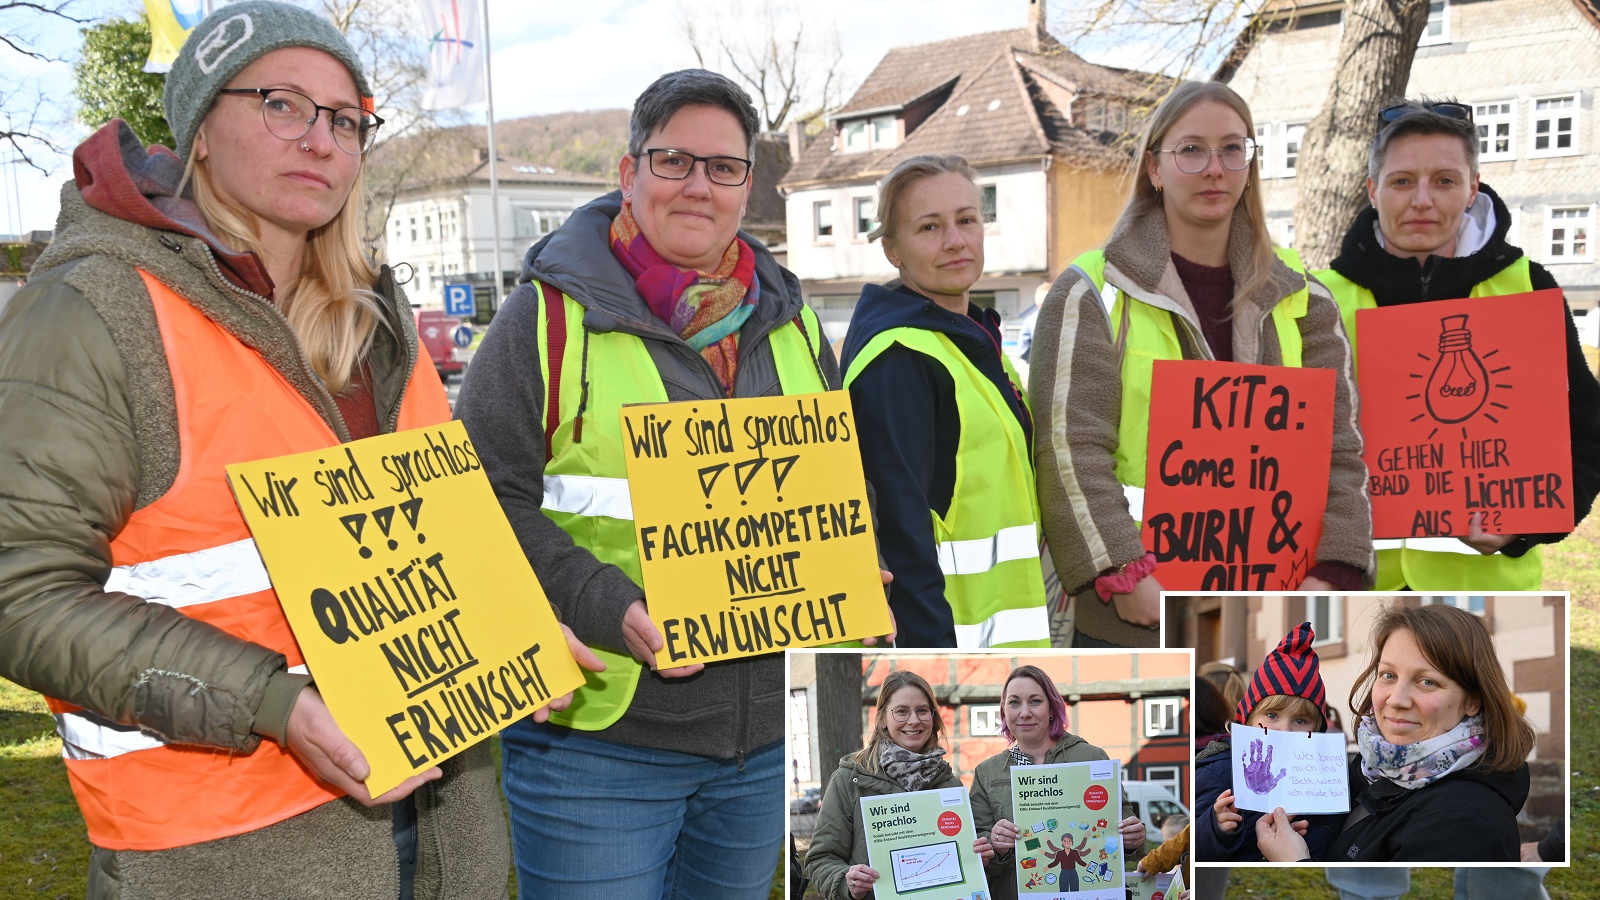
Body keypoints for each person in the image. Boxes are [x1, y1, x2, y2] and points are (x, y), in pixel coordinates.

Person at [0, 3, 595, 896]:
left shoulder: (374, 320)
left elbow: (426, 535)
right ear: (199, 132)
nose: (321, 139)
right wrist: (277, 704)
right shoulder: (93, 311)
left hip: (439, 823)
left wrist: (503, 628)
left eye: (345, 118)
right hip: (223, 850)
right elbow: (20, 592)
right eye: (281, 103)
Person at [455, 69, 876, 898]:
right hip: (597, 744)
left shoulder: (792, 321)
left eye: (723, 167)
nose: (698, 185)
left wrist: (847, 557)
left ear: (747, 186)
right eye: (674, 160)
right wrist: (605, 604)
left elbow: (821, 480)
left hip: (756, 752)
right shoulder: (542, 320)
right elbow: (476, 503)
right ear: (628, 174)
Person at [1031, 80, 1373, 648]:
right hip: (1134, 612)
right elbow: (1069, 448)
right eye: (1190, 150)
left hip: (1278, 606)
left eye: (1233, 149)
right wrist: (1124, 569)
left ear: (1249, 164)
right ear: (1155, 168)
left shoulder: (1306, 296)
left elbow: (1341, 448)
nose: (1215, 168)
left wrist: (1335, 569)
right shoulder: (1091, 290)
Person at [1316, 97, 1600, 591]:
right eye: (1402, 181)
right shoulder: (1315, 299)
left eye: (1444, 180)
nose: (1422, 199)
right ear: (1372, 190)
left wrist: (1530, 525)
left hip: (1485, 593)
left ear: (1472, 189)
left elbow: (1588, 432)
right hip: (1351, 586)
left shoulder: (1529, 287)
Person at [840, 154, 1050, 648]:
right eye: (929, 227)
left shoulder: (967, 340)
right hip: (950, 639)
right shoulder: (899, 358)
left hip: (1000, 636)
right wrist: (932, 652)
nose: (955, 240)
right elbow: (899, 528)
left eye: (967, 220)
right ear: (892, 249)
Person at [1255, 603, 1535, 862]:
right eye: (1388, 675)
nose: (1396, 700)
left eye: (1427, 681)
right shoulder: (1375, 765)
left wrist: (1293, 864)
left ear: (1473, 701)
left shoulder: (1464, 822)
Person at [803, 671, 996, 899]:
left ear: (933, 718)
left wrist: (979, 855)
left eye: (922, 710)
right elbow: (820, 859)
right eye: (902, 711)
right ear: (883, 719)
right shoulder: (850, 780)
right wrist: (847, 882)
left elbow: (966, 860)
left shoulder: (949, 784)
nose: (913, 720)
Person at [969, 664, 1147, 900]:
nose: (1024, 712)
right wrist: (996, 847)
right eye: (1014, 702)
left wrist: (1133, 839)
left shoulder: (1092, 758)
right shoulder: (986, 773)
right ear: (1003, 711)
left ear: (1052, 708)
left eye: (1035, 701)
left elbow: (1120, 833)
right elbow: (978, 858)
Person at [1197, 623, 1343, 862]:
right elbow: (1191, 850)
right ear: (1248, 718)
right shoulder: (1220, 772)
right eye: (1272, 715)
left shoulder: (1327, 780)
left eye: (1300, 720)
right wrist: (1216, 827)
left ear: (1317, 730)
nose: (1283, 730)